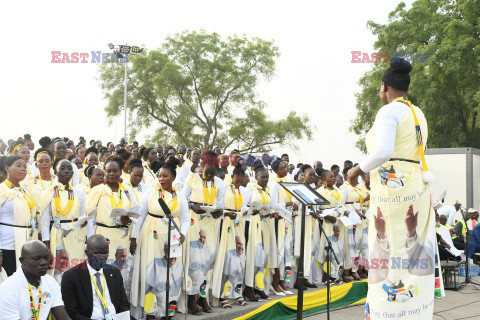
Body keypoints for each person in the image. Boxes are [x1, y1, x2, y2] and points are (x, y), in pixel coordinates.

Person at [348, 58, 437, 319]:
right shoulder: (417, 112)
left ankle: (387, 312)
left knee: (388, 245)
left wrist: (358, 169)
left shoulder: (389, 111)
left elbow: (384, 151)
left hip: (394, 192)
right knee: (412, 246)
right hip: (415, 185)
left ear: (384, 86)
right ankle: (414, 311)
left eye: (379, 88)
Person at [130, 157, 190, 318]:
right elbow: (140, 216)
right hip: (152, 235)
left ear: (173, 177)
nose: (161, 179)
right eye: (160, 176)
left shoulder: (180, 195)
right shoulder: (151, 192)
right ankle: (150, 312)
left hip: (174, 236)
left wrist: (183, 234)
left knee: (172, 273)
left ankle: (167, 310)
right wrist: (134, 237)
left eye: (165, 176)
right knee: (153, 272)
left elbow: (185, 219)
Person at [183, 151, 225, 315]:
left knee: (207, 262)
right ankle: (191, 300)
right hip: (194, 220)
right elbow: (181, 198)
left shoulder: (220, 183)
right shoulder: (192, 178)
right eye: (206, 173)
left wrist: (218, 211)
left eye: (212, 173)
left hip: (210, 223)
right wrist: (192, 206)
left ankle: (202, 296)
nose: (208, 176)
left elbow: (220, 203)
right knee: (195, 262)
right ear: (202, 167)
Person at [61, 235, 130, 320]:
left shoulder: (114, 272)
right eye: (97, 253)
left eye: (105, 253)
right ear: (87, 253)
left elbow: (124, 304)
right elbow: (72, 313)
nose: (102, 257)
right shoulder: (71, 276)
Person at [0, 240, 71, 320]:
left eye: (46, 258)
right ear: (22, 261)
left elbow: (63, 317)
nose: (43, 263)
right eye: (37, 258)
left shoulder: (50, 282)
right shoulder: (8, 288)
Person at [211, 165, 249, 307]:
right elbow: (218, 208)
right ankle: (223, 295)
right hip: (227, 222)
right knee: (228, 259)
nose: (239, 183)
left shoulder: (242, 191)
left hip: (239, 222)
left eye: (241, 181)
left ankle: (237, 293)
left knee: (240, 259)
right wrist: (227, 213)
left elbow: (242, 207)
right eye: (237, 180)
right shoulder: (226, 189)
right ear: (232, 177)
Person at [40, 159, 87, 271]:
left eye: (70, 169)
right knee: (60, 271)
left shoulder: (79, 193)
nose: (67, 171)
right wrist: (46, 246)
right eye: (62, 168)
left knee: (76, 268)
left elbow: (82, 215)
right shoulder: (49, 193)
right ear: (55, 172)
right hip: (57, 234)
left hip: (75, 235)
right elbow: (45, 223)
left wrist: (83, 221)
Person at [86, 156, 133, 259]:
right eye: (108, 171)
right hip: (103, 236)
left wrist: (128, 220)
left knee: (121, 268)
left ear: (120, 172)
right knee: (105, 267)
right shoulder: (98, 190)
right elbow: (88, 215)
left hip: (122, 235)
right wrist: (91, 239)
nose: (111, 174)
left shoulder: (127, 191)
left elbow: (132, 213)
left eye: (115, 171)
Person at [0, 156, 37, 276]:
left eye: (25, 167)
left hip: (24, 244)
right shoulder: (1, 189)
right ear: (7, 168)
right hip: (6, 246)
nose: (23, 169)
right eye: (18, 165)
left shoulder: (24, 191)